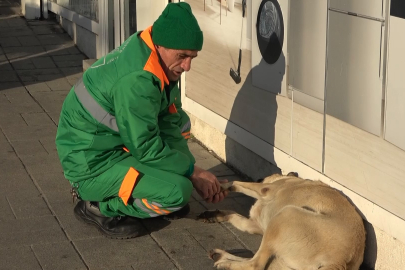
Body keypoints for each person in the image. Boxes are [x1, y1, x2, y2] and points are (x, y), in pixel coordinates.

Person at [55, 2, 228, 239]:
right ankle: (97, 205)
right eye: (183, 56)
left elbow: (168, 120)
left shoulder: (156, 56)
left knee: (182, 124)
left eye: (192, 57)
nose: (187, 66)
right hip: (90, 165)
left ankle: (161, 186)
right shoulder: (139, 80)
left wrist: (189, 171)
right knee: (177, 192)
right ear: (162, 45)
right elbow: (145, 146)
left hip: (110, 145)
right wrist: (192, 174)